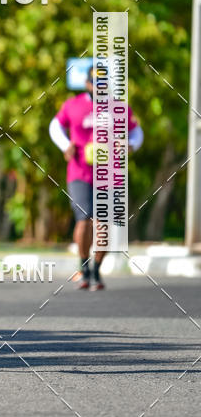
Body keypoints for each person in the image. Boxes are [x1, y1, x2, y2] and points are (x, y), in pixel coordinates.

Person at [49, 65, 143, 290]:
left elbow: (135, 131)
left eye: (103, 85)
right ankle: (83, 267)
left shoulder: (118, 107)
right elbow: (55, 126)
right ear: (87, 83)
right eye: (95, 84)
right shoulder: (73, 105)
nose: (98, 88)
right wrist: (65, 145)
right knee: (84, 219)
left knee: (103, 223)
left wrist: (130, 145)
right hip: (79, 171)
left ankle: (96, 270)